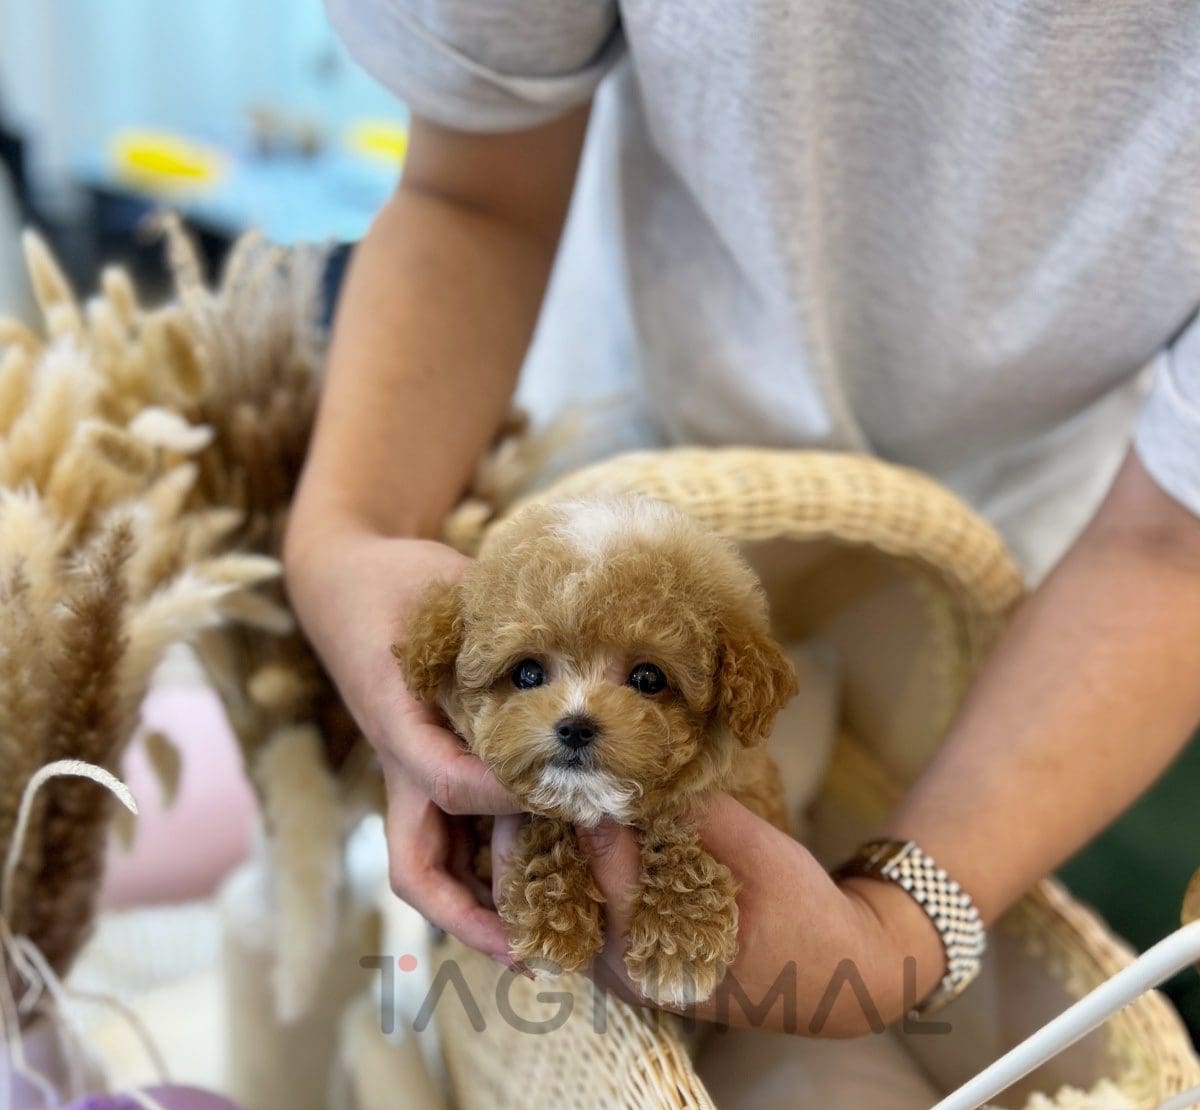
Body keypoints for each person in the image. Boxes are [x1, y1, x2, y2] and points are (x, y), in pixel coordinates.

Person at [285, 3, 1200, 1035]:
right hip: (615, 417)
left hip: (1032, 563)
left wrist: (902, 930)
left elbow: (1174, 546)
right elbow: (472, 191)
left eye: (644, 681)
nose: (579, 707)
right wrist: (344, 541)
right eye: (532, 675)